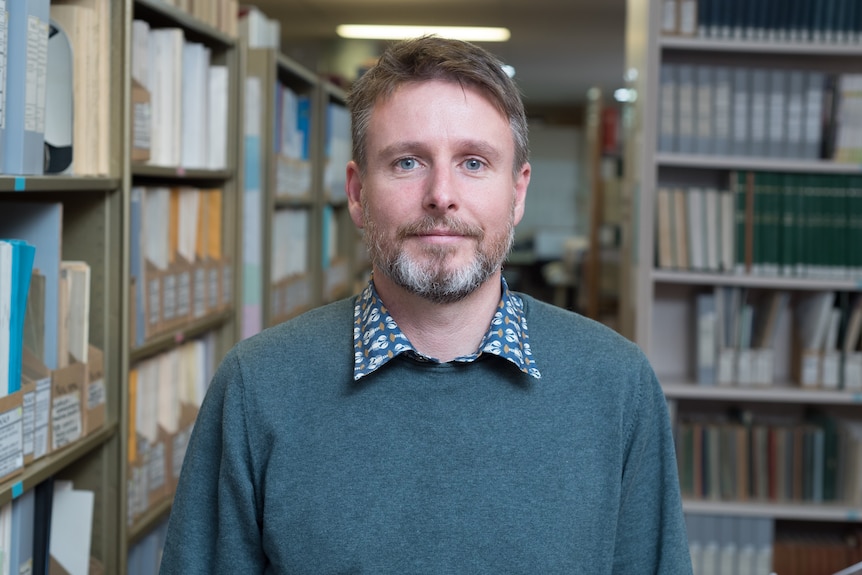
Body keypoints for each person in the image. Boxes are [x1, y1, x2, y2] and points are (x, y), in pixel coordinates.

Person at [159, 35, 692, 574]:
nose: (441, 194)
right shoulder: (257, 387)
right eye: (408, 162)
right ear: (357, 192)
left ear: (518, 192)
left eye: (474, 163)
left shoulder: (617, 385)